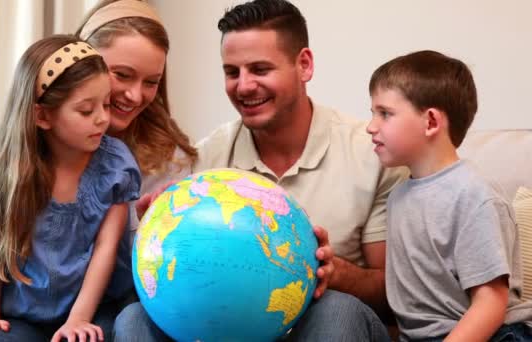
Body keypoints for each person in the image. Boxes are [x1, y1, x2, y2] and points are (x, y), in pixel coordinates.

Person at [114, 0, 406, 341]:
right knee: (134, 318)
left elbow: (397, 296)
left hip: (322, 324)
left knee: (337, 308)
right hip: (231, 328)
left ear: (304, 65)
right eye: (232, 72)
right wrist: (156, 233)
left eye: (260, 69)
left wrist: (337, 273)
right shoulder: (205, 162)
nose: (244, 86)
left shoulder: (372, 154)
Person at [0, 1, 197, 340]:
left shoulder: (165, 162)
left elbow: (171, 276)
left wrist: (151, 231)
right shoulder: (4, 161)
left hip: (108, 307)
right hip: (22, 311)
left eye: (151, 81)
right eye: (122, 74)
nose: (133, 95)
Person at [0, 34, 141, 341]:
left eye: (106, 104)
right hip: (22, 315)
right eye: (87, 110)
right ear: (42, 116)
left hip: (93, 308)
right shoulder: (5, 169)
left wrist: (78, 320)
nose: (103, 118)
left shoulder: (116, 166)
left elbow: (106, 249)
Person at [366, 50, 532, 341]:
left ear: (430, 122)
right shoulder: (399, 196)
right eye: (372, 114)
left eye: (385, 114)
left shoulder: (473, 195)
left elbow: (491, 303)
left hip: (494, 334)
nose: (370, 126)